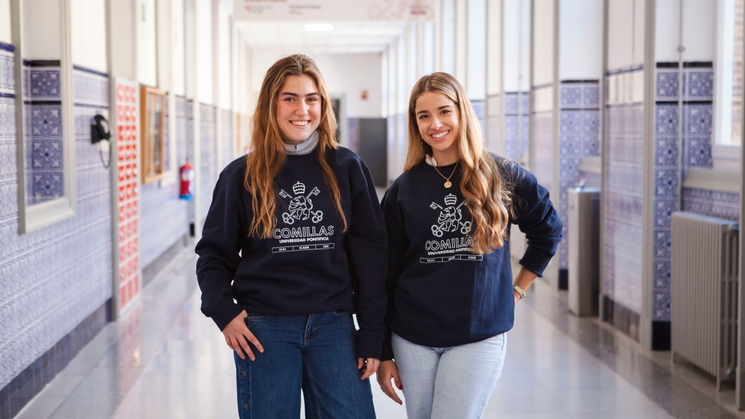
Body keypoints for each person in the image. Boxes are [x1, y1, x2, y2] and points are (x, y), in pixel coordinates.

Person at [195, 54, 387, 419]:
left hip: (334, 326)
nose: (302, 109)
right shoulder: (240, 176)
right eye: (290, 98)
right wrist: (224, 312)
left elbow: (371, 257)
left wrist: (373, 332)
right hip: (265, 329)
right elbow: (213, 255)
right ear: (271, 104)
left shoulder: (347, 167)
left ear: (322, 104)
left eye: (311, 98)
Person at [377, 72, 562, 419]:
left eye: (445, 111)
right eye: (424, 116)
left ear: (462, 112)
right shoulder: (403, 190)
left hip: (478, 334)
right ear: (414, 124)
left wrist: (516, 291)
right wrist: (384, 351)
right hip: (412, 336)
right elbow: (386, 276)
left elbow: (548, 229)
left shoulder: (499, 174)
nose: (436, 124)